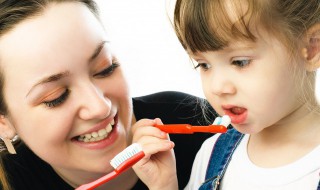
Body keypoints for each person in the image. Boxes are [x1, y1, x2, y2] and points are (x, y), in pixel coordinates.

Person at [0, 0, 216, 189]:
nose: (100, 107)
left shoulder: (202, 130)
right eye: (55, 97)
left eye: (106, 68)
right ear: (3, 122)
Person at [133, 0, 320, 189]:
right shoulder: (211, 154)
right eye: (204, 65)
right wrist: (164, 185)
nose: (217, 86)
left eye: (240, 62)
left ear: (313, 48)